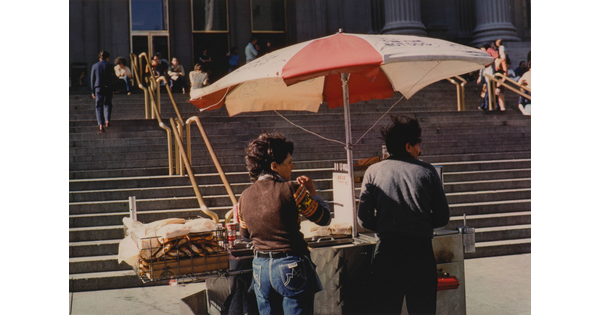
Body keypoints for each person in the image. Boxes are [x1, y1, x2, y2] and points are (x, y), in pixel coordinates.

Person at [358, 115, 450, 315]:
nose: (421, 150)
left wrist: (386, 225)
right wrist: (420, 224)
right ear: (408, 146)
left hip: (388, 253)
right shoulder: (427, 171)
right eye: (418, 145)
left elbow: (363, 218)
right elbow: (442, 216)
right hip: (420, 253)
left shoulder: (373, 172)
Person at [238, 132, 331, 315]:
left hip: (260, 269)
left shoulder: (244, 196)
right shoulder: (292, 190)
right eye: (288, 162)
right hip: (290, 268)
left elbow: (245, 234)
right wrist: (312, 191)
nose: (292, 166)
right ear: (274, 166)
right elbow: (323, 218)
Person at [90, 50, 117, 133]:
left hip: (98, 87)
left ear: (99, 57)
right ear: (107, 58)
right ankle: (107, 120)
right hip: (108, 87)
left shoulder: (95, 66)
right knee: (108, 103)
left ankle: (100, 124)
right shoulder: (110, 65)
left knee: (99, 105)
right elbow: (113, 78)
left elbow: (92, 79)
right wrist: (113, 88)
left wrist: (92, 91)